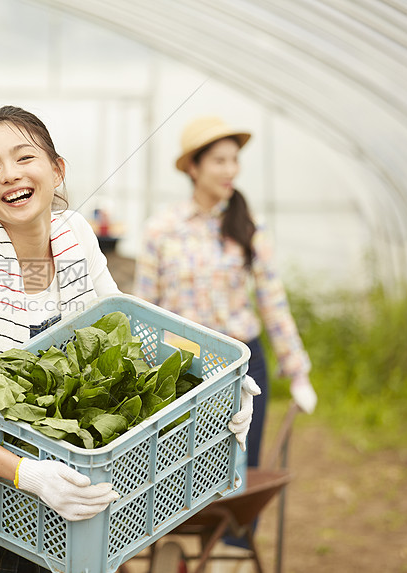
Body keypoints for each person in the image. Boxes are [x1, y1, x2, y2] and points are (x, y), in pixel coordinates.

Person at [0, 107, 257, 573]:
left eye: (24, 157)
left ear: (57, 169)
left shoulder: (78, 238)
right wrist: (25, 472)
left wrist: (215, 392)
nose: (9, 175)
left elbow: (127, 337)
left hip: (70, 481)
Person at [134, 115, 317, 470]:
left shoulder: (249, 226)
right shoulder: (162, 230)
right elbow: (145, 308)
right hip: (183, 366)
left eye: (234, 160)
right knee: (184, 470)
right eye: (219, 160)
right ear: (193, 167)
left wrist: (298, 372)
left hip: (243, 364)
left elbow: (272, 302)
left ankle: (238, 529)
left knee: (242, 466)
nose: (230, 169)